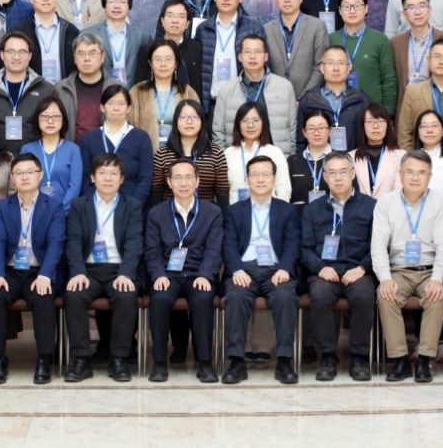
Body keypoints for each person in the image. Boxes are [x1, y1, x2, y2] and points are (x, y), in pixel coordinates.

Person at [0, 153, 67, 384]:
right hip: (10, 271)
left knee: (43, 295)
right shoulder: (2, 207)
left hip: (39, 270)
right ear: (12, 177)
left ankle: (44, 360)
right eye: (19, 173)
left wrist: (46, 275)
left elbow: (56, 244)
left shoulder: (54, 206)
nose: (25, 177)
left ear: (40, 175)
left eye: (30, 172)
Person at [219, 157, 301, 384]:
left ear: (274, 178)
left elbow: (293, 243)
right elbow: (228, 244)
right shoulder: (234, 211)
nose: (261, 179)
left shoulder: (287, 210)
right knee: (235, 296)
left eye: (266, 174)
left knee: (285, 296)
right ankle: (236, 361)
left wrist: (285, 268)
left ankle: (284, 361)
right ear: (247, 179)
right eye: (255, 174)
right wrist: (236, 270)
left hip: (276, 269)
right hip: (244, 269)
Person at [63, 153, 143, 382]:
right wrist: (78, 271)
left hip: (119, 269)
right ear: (92, 177)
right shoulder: (80, 205)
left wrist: (126, 273)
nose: (108, 178)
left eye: (113, 173)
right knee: (74, 295)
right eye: (102, 173)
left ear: (122, 178)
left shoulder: (132, 205)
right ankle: (81, 360)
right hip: (88, 270)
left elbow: (135, 243)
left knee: (126, 296)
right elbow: (73, 242)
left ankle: (118, 359)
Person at [371, 151, 443, 383]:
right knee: (386, 296)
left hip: (430, 270)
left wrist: (437, 279)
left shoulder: (441, 202)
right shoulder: (386, 203)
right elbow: (378, 246)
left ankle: (425, 359)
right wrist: (385, 278)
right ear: (401, 174)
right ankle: (400, 360)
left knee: (436, 297)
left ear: (430, 176)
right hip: (398, 271)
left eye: (421, 173)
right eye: (410, 172)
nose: (415, 178)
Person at [144, 159, 223, 383]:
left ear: (197, 181)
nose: (183, 183)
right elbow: (151, 250)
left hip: (198, 273)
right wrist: (158, 274)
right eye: (177, 178)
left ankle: (205, 363)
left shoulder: (212, 212)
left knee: (203, 299)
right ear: (169, 182)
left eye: (189, 177)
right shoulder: (157, 213)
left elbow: (214, 249)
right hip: (168, 274)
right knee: (159, 299)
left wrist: (205, 274)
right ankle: (159, 363)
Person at [298, 153, 375, 381]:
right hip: (324, 271)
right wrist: (319, 268)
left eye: (343, 172)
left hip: (358, 270)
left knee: (364, 296)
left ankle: (359, 358)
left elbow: (380, 245)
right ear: (324, 177)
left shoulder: (371, 206)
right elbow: (304, 248)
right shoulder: (312, 210)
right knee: (320, 295)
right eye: (332, 173)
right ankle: (327, 357)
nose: (338, 177)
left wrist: (363, 268)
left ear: (352, 174)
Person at [211, 35, 299, 156]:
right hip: (238, 159)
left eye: (258, 52)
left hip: (276, 159)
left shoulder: (284, 87)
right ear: (240, 57)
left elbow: (292, 130)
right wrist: (225, 161)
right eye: (247, 52)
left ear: (266, 56)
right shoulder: (227, 90)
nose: (252, 56)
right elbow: (218, 132)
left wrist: (288, 158)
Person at [0, 31, 56, 156]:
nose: (16, 57)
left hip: (36, 160)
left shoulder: (46, 90)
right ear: (2, 55)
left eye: (22, 52)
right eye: (11, 52)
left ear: (30, 56)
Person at [196, 0, 265, 103]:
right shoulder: (203, 29)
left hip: (243, 104)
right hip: (211, 103)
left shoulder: (253, 27)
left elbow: (264, 68)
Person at [78, 86, 153, 204]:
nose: (116, 108)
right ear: (102, 107)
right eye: (111, 103)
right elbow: (85, 178)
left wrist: (132, 206)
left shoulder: (141, 138)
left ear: (129, 108)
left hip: (132, 206)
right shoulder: (89, 139)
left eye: (121, 103)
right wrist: (96, 206)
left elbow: (145, 178)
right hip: (97, 206)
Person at [152, 99, 228, 205]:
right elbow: (156, 192)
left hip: (207, 213)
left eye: (195, 117)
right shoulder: (162, 154)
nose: (189, 121)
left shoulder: (216, 153)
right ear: (176, 121)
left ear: (202, 121)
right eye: (183, 117)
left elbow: (222, 192)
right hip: (170, 212)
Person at [333, 0, 398, 108]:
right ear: (340, 10)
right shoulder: (330, 39)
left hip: (372, 114)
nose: (352, 11)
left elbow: (389, 80)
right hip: (338, 111)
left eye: (357, 6)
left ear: (366, 8)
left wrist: (387, 113)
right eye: (346, 6)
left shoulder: (380, 40)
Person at [388, 0, 443, 100]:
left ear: (430, 10)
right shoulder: (395, 43)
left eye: (422, 6)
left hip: (438, 105)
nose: (418, 12)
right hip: (406, 105)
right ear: (404, 14)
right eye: (411, 8)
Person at [266, 0, 329, 97]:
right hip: (276, 100)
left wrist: (304, 99)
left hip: (310, 100)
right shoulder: (266, 30)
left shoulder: (317, 26)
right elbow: (264, 69)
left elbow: (320, 65)